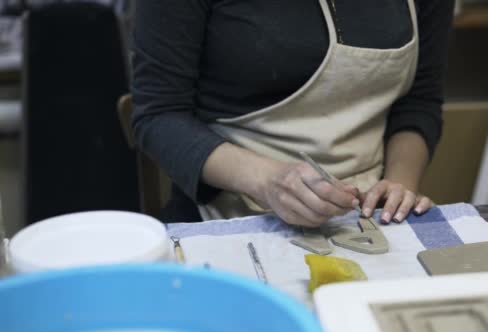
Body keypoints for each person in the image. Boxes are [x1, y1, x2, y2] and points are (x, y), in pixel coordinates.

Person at [131, 0, 454, 226]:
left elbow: (418, 101)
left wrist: (399, 184)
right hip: (232, 208)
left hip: (372, 211)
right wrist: (267, 180)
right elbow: (159, 115)